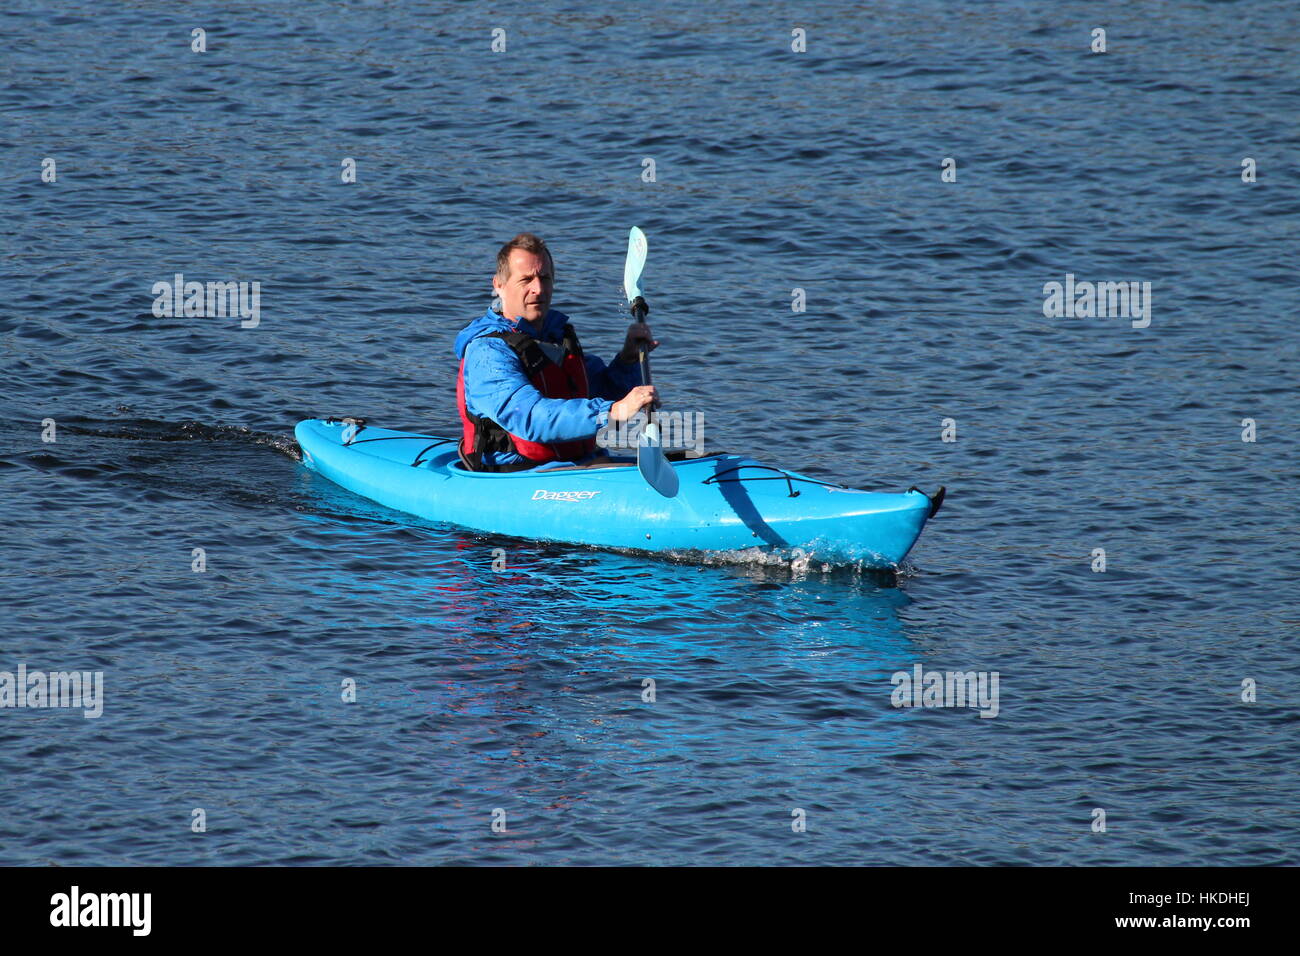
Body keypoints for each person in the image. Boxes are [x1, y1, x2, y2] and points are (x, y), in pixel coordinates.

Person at [455, 232, 660, 471]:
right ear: (499, 285)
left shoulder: (556, 337)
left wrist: (628, 360)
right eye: (526, 280)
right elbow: (530, 418)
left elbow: (599, 393)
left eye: (544, 278)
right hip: (518, 473)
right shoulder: (488, 352)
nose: (538, 289)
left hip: (575, 463)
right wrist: (614, 411)